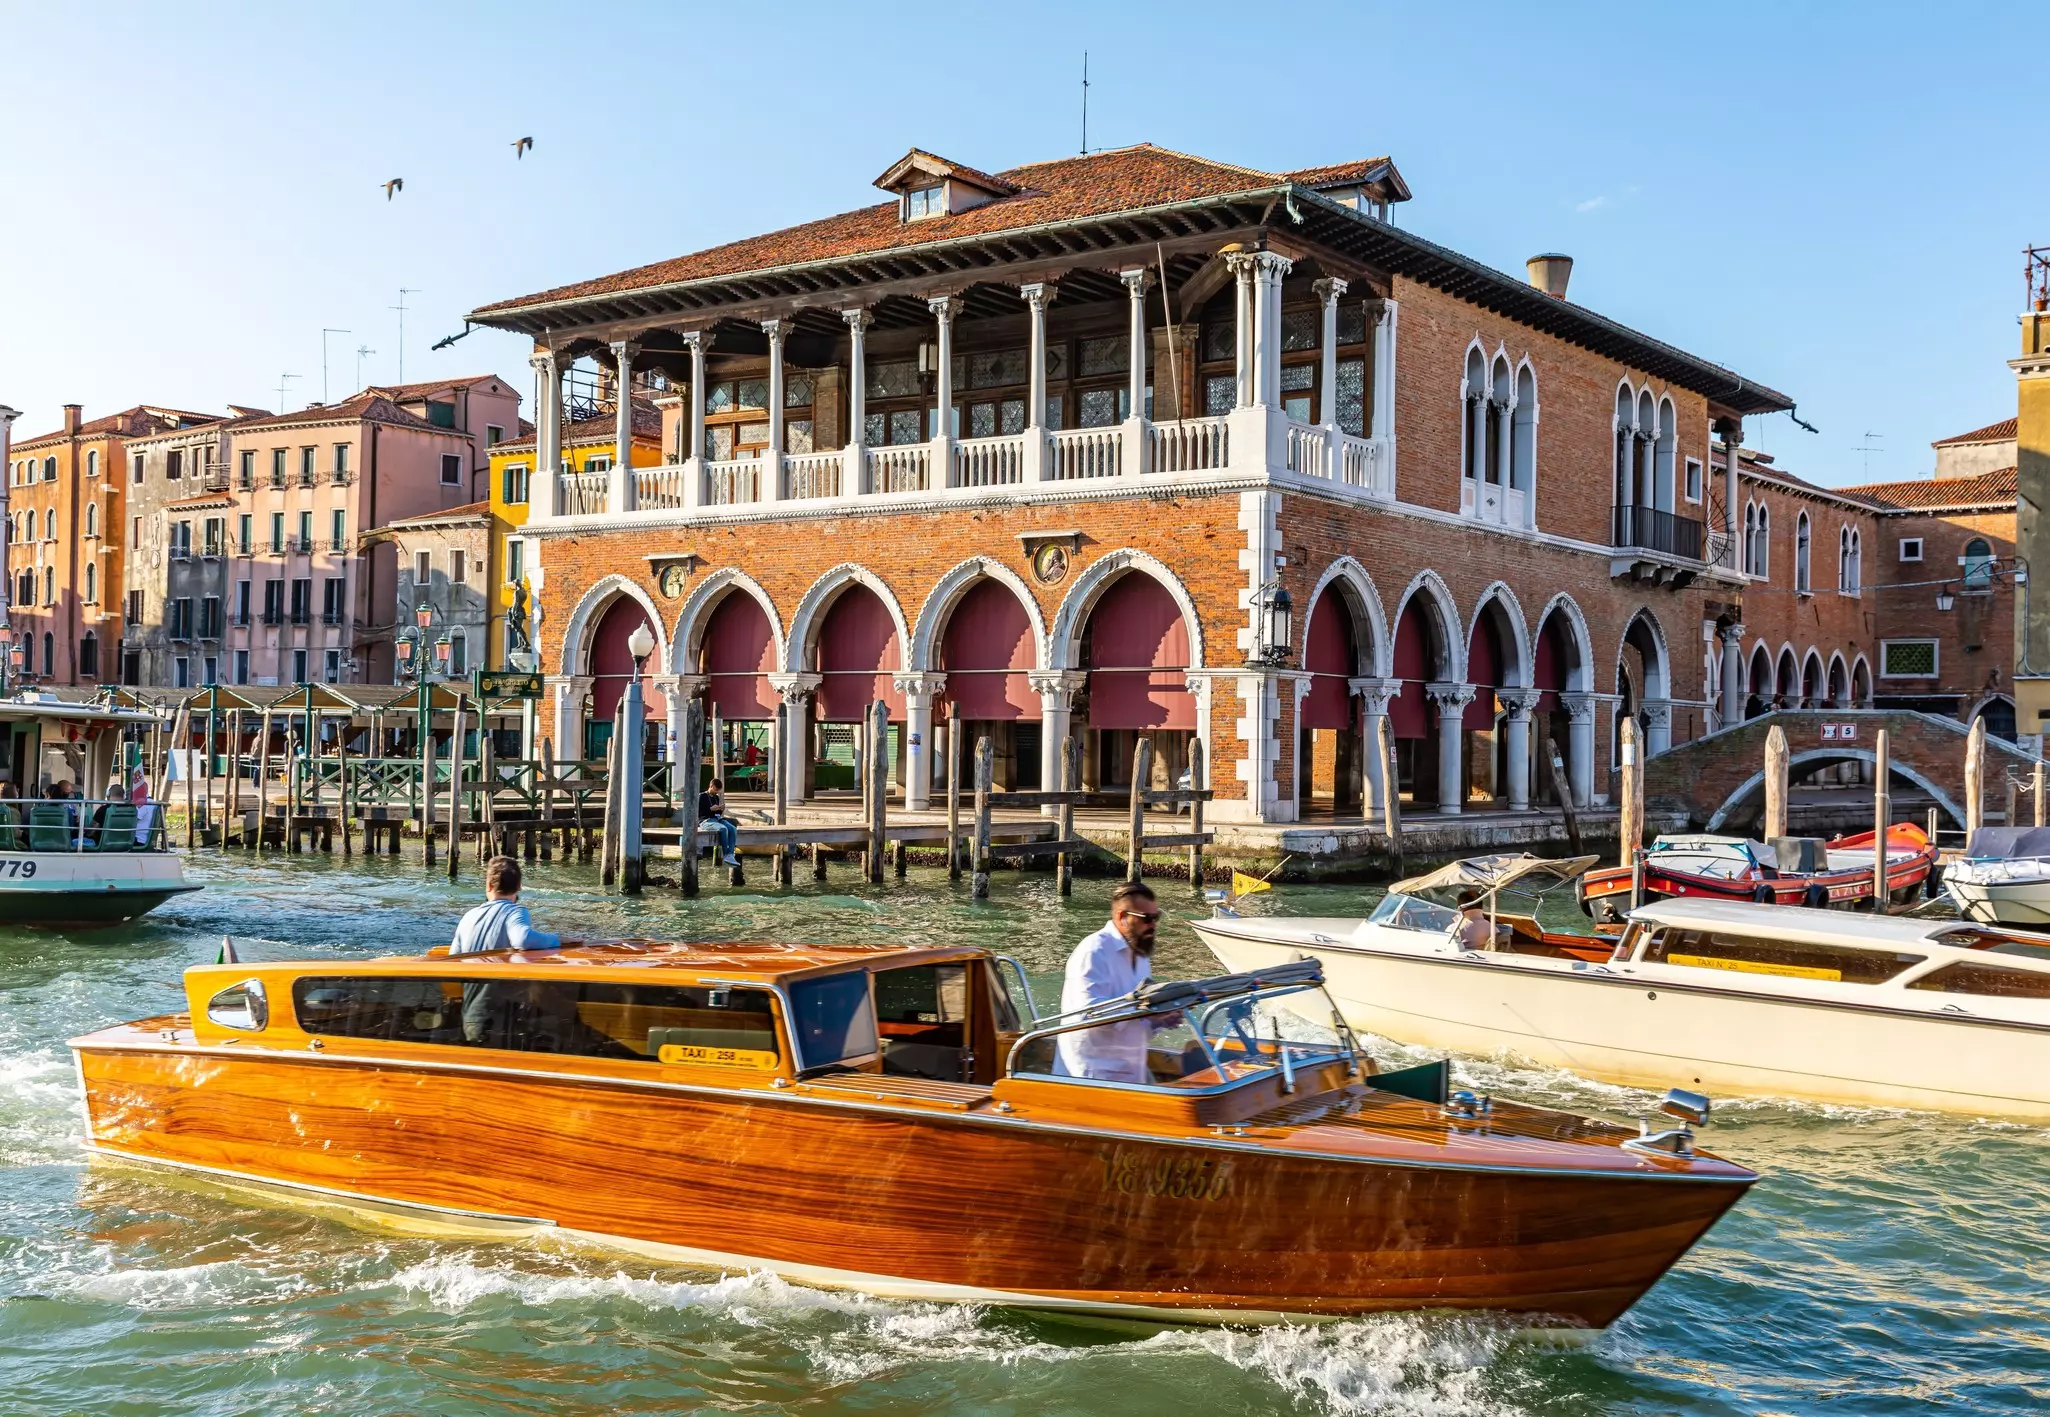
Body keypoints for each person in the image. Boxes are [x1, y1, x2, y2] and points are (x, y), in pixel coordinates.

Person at [1054, 881, 1173, 1084]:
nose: (1153, 925)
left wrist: (1160, 1019)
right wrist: (1143, 1009)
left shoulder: (1141, 954)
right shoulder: (1093, 952)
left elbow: (1136, 1022)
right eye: (1147, 918)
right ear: (1122, 917)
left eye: (1156, 917)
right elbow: (1088, 1014)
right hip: (1091, 1078)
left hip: (1130, 1074)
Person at [451, 856, 563, 956]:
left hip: (468, 977)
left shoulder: (468, 916)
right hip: (495, 978)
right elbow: (522, 939)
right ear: (519, 886)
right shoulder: (515, 911)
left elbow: (453, 956)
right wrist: (557, 939)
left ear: (489, 886)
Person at [697, 777, 740, 867]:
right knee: (723, 829)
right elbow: (699, 813)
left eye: (718, 790)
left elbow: (716, 813)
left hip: (716, 819)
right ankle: (725, 854)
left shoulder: (716, 797)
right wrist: (710, 809)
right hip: (705, 820)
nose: (716, 792)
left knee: (732, 828)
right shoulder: (702, 796)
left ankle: (730, 854)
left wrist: (720, 809)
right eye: (715, 789)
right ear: (711, 786)